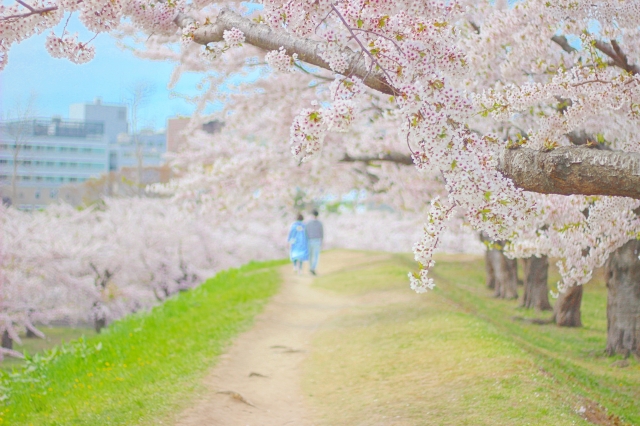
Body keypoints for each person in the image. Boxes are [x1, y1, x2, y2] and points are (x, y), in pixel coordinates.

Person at [306, 210, 324, 275]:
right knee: (316, 256)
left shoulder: (308, 223)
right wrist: (322, 241)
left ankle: (311, 268)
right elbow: (322, 233)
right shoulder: (320, 223)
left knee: (310, 255)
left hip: (310, 240)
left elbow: (306, 232)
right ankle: (313, 268)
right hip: (317, 240)